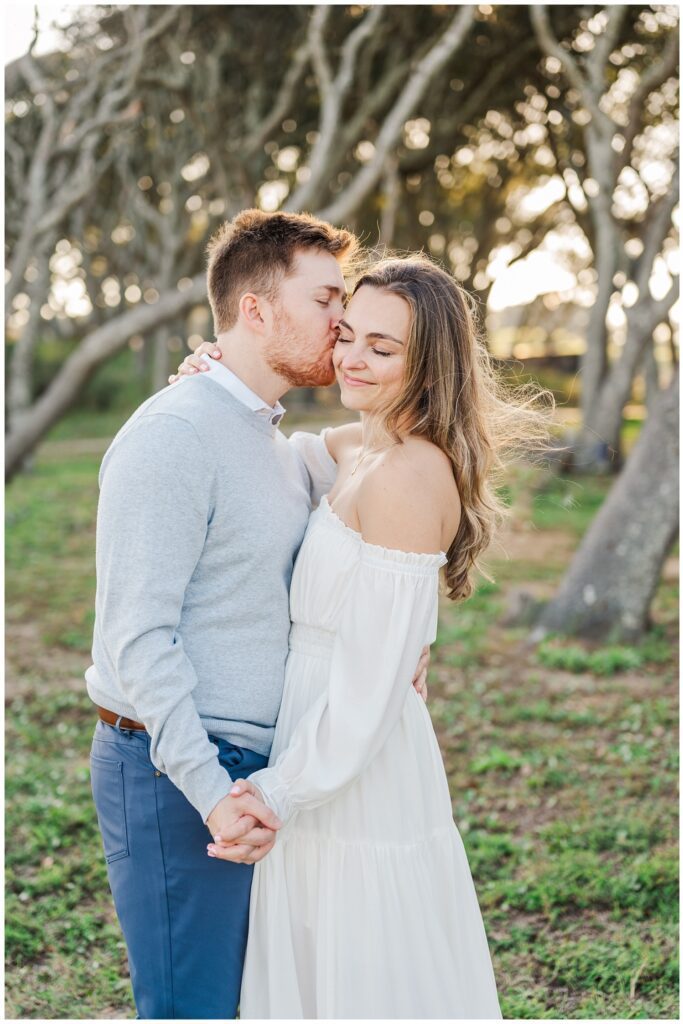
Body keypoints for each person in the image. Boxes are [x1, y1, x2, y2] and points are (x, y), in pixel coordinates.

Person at [173, 255, 551, 1017]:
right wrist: (212, 381)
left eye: (383, 348)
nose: (351, 356)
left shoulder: (410, 476)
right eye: (347, 334)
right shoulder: (360, 447)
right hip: (313, 743)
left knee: (361, 970)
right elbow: (272, 462)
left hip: (349, 764)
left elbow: (371, 690)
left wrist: (274, 793)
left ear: (428, 364)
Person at [86, 209, 431, 1020]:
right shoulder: (175, 433)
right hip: (178, 777)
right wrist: (213, 793)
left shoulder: (273, 441)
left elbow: (379, 486)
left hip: (256, 775)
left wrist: (415, 630)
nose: (342, 322)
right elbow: (137, 639)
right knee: (193, 1007)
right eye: (325, 301)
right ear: (255, 311)